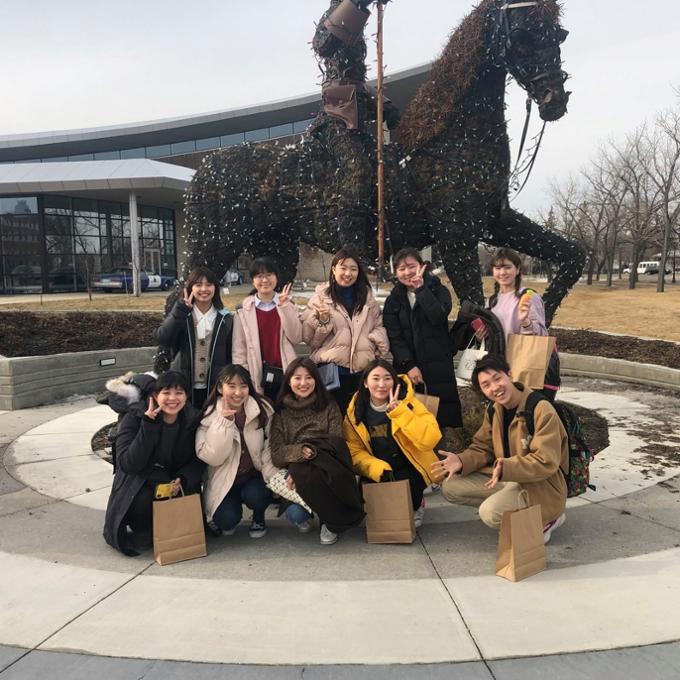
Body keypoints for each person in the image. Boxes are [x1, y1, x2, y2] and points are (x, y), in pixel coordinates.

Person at [433, 354, 568, 543]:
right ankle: (512, 507)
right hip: (507, 476)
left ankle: (546, 518)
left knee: (490, 513)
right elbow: (483, 447)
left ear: (510, 375)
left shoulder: (540, 409)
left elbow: (546, 461)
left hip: (540, 485)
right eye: (486, 385)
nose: (494, 387)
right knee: (451, 487)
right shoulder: (495, 410)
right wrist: (461, 460)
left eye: (497, 378)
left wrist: (506, 467)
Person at [310, 0, 399, 255]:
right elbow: (322, 45)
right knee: (357, 169)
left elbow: (356, 82)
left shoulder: (356, 32)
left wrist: (385, 104)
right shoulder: (333, 18)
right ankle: (351, 251)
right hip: (333, 118)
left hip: (354, 121)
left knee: (384, 167)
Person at [103, 371, 204, 556]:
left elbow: (197, 460)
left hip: (174, 483)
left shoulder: (190, 420)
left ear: (186, 396)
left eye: (179, 392)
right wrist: (148, 426)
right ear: (155, 396)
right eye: (166, 392)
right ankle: (144, 529)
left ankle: (168, 527)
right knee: (141, 502)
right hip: (142, 482)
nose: (173, 398)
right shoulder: (134, 419)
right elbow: (128, 464)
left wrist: (183, 478)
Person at [271, 357, 365, 545]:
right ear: (289, 381)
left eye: (309, 377)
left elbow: (336, 442)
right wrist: (301, 451)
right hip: (297, 468)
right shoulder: (281, 412)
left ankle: (329, 522)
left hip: (328, 466)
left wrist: (311, 453)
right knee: (295, 514)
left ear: (317, 379)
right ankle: (311, 512)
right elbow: (277, 453)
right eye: (297, 378)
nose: (303, 383)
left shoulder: (329, 405)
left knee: (322, 476)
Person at [343, 359, 441, 527]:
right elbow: (354, 450)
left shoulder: (410, 403)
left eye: (387, 378)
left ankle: (418, 504)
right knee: (365, 499)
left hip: (409, 463)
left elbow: (430, 439)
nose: (382, 384)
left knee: (409, 487)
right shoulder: (355, 412)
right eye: (375, 378)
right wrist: (374, 467)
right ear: (366, 383)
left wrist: (400, 412)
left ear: (394, 381)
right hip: (379, 466)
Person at [383, 247, 463, 444]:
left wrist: (421, 289)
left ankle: (440, 462)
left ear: (422, 267)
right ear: (396, 273)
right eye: (401, 268)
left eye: (411, 266)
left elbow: (437, 317)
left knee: (438, 419)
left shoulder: (439, 290)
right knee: (408, 418)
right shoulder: (394, 299)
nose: (407, 272)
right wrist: (409, 364)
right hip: (407, 367)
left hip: (438, 366)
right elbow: (394, 336)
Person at [301, 245, 389, 414]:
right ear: (333, 269)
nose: (348, 273)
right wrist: (322, 320)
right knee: (335, 417)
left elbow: (379, 325)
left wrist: (373, 342)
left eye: (353, 269)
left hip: (362, 371)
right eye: (343, 268)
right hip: (332, 372)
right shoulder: (320, 298)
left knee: (359, 418)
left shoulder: (367, 299)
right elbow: (309, 339)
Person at [476, 248, 559, 399]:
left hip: (524, 365)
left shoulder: (528, 297)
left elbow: (541, 335)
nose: (502, 273)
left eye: (507, 267)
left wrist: (525, 321)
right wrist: (482, 337)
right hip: (501, 368)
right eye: (498, 268)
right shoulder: (491, 301)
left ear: (518, 269)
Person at [153, 266, 233, 408]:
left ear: (215, 288)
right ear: (190, 288)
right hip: (184, 385)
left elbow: (230, 353)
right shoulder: (182, 314)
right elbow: (163, 338)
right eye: (198, 285)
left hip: (215, 386)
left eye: (209, 285)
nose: (204, 289)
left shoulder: (226, 318)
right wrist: (180, 311)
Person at [232, 257, 302, 401]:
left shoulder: (288, 304)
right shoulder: (243, 311)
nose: (265, 280)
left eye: (269, 275)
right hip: (256, 373)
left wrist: (284, 307)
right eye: (259, 276)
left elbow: (296, 337)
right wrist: (243, 377)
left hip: (285, 370)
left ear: (276, 277)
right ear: (253, 280)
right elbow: (239, 349)